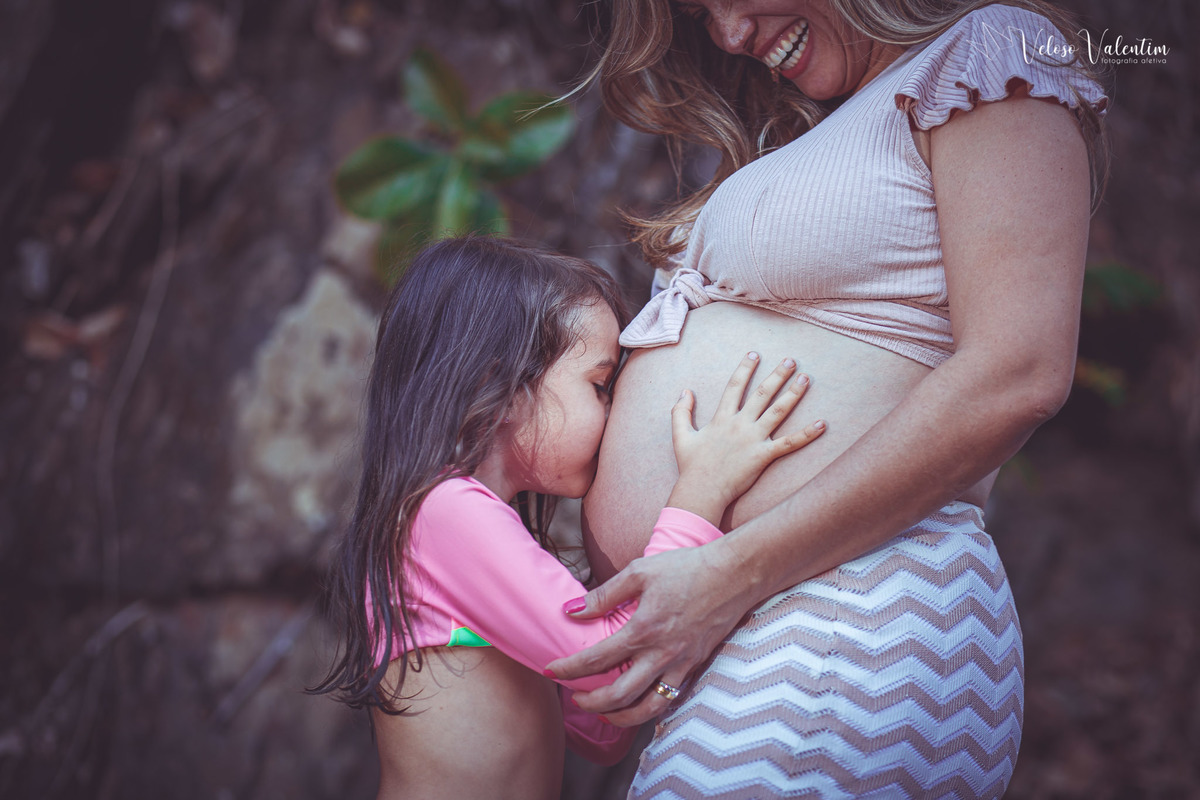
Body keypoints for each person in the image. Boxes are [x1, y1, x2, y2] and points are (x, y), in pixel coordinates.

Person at [545, 1, 1109, 797]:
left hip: (852, 609)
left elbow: (1019, 371)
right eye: (704, 16)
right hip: (782, 625)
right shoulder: (843, 123)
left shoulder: (991, 49)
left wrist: (728, 575)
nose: (730, 34)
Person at [312, 236, 827, 800]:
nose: (613, 413)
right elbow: (606, 669)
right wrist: (701, 490)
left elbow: (599, 724)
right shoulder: (443, 513)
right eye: (600, 387)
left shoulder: (463, 521)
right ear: (499, 389)